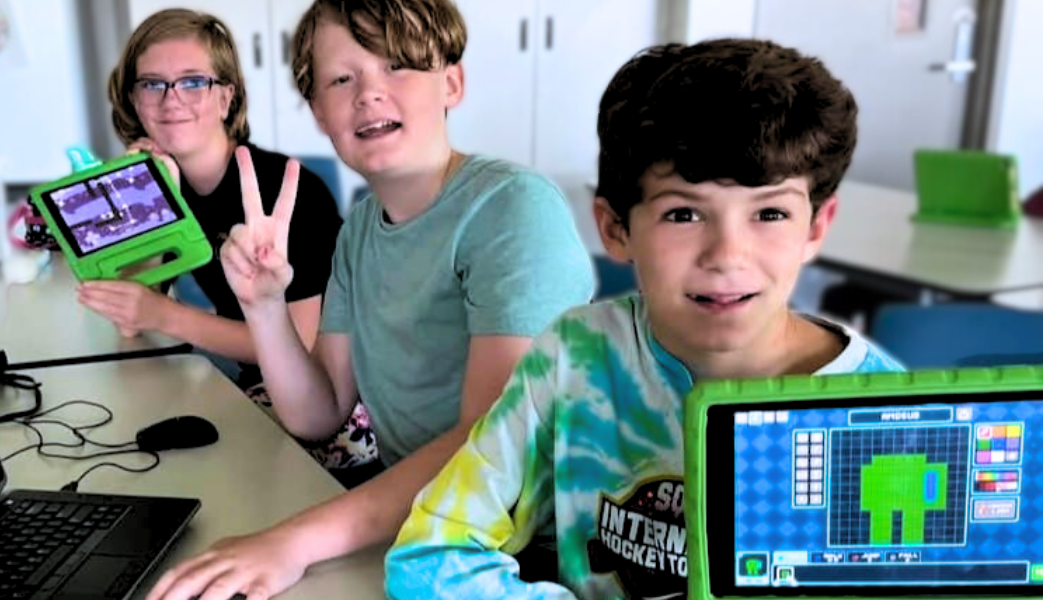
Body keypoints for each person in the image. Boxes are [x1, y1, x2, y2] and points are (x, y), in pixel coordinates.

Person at [386, 38, 906, 599]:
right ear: (615, 229)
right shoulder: (574, 357)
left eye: (770, 213)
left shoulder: (883, 415)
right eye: (683, 213)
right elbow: (428, 556)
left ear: (816, 226)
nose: (727, 256)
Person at [144, 1, 594, 599]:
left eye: (398, 66)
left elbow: (488, 446)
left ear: (451, 82)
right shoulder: (360, 231)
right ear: (319, 112)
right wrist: (264, 306)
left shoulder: (512, 209)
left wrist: (295, 541)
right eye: (341, 78)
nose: (369, 93)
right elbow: (319, 411)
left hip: (534, 552)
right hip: (424, 526)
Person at [79, 9, 379, 475]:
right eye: (152, 84)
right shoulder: (169, 183)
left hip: (341, 408)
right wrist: (151, 201)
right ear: (134, 101)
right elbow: (130, 318)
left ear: (226, 98)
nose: (170, 99)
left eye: (193, 81)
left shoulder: (284, 193)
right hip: (254, 384)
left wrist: (165, 315)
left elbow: (298, 348)